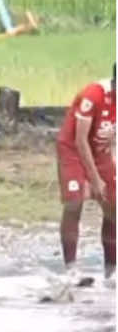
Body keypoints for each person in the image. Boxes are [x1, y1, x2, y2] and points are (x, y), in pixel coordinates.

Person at [56, 63, 115, 284]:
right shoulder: (94, 94)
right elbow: (80, 140)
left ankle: (111, 271)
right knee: (74, 202)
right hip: (73, 148)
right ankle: (71, 269)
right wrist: (95, 178)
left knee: (113, 205)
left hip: (101, 149)